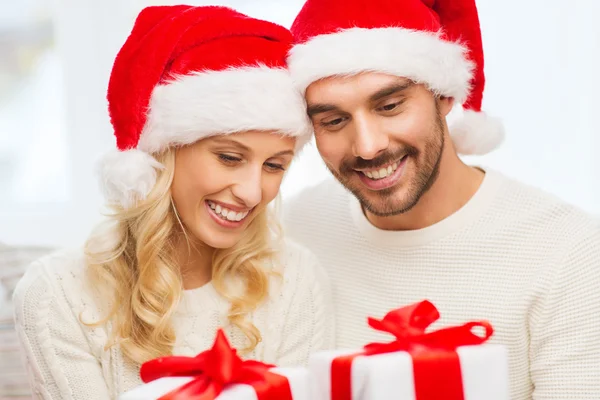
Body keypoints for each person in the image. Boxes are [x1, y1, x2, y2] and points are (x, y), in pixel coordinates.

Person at [12, 5, 334, 399]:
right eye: (229, 158)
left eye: (274, 165)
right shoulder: (56, 294)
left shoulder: (297, 279)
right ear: (163, 152)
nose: (252, 192)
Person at [282, 0, 600, 398]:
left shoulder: (571, 253)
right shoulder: (293, 230)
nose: (367, 146)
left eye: (390, 106)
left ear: (444, 96)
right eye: (333, 120)